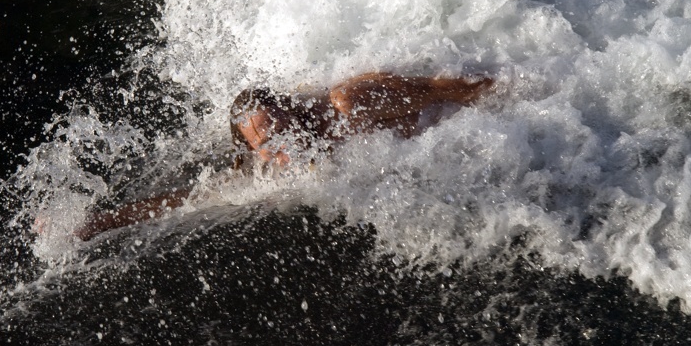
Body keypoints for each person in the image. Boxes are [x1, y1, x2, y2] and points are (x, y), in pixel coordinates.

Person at [74, 72, 493, 240]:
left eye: (281, 128)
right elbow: (189, 199)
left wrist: (518, 102)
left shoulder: (347, 105)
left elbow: (452, 90)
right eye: (266, 145)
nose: (282, 147)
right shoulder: (270, 170)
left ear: (292, 108)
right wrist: (103, 222)